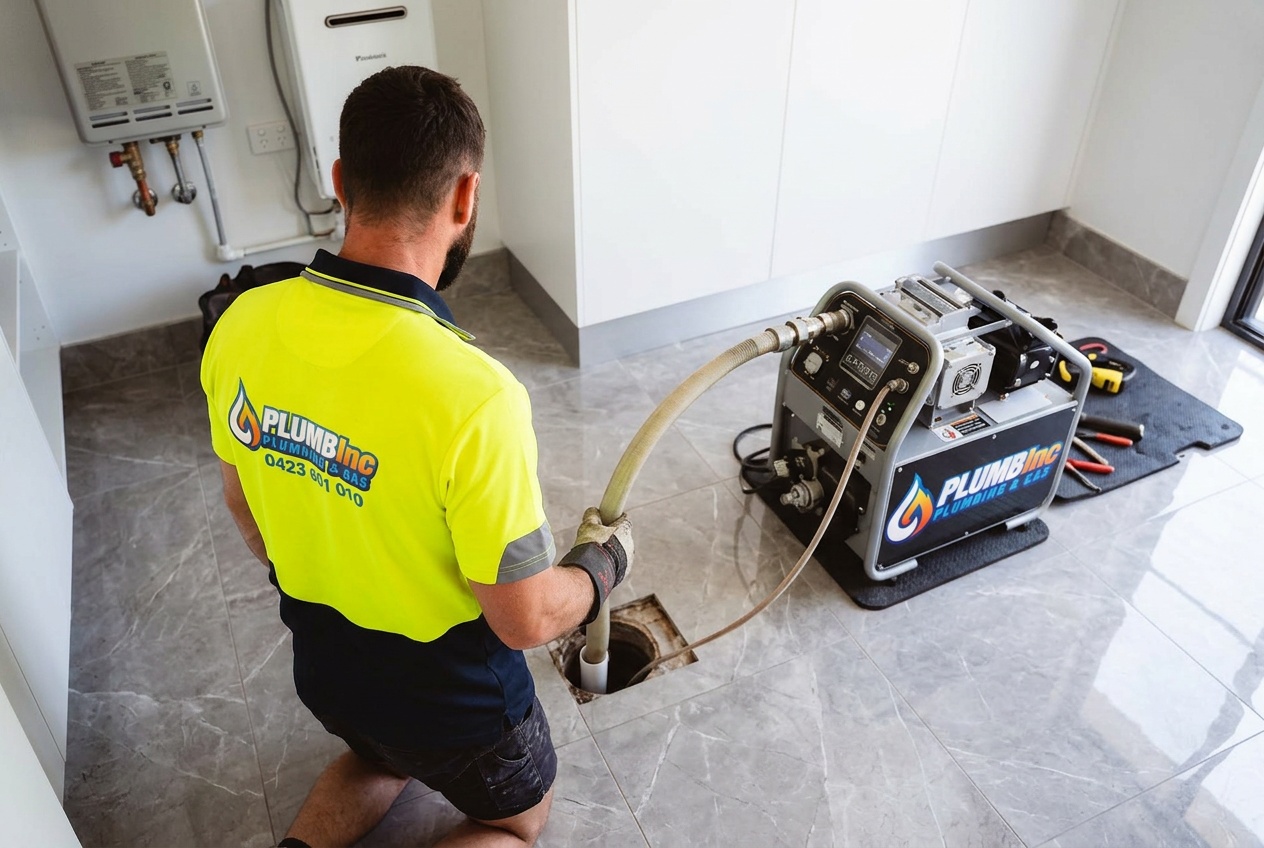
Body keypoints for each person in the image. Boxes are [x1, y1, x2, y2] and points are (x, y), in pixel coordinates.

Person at [201, 66, 633, 848]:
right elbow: (525, 618)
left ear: (340, 181)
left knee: (378, 753)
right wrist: (603, 569)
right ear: (465, 198)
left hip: (325, 673)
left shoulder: (241, 323)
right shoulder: (474, 394)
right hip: (455, 709)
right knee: (517, 825)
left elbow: (244, 504)